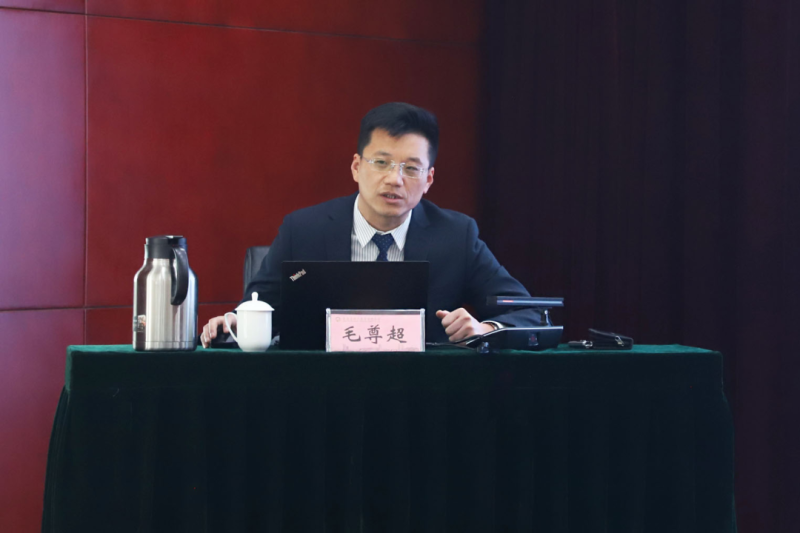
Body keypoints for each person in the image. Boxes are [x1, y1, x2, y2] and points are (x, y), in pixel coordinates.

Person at [201, 102, 539, 348]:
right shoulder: (303, 230)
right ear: (356, 167)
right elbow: (260, 308)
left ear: (429, 179)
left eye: (411, 168)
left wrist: (486, 329)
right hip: (320, 396)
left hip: (419, 398)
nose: (394, 179)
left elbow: (528, 312)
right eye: (381, 162)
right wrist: (235, 322)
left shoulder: (456, 236)